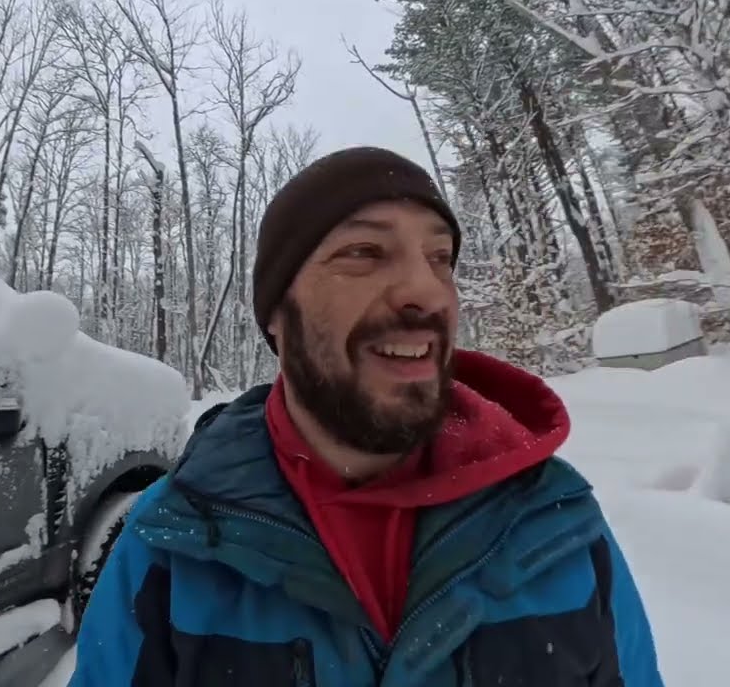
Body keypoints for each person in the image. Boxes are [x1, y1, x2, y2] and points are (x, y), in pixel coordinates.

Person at [67, 146, 665, 686]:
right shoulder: (176, 540)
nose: (427, 292)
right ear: (277, 311)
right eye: (364, 252)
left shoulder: (554, 523)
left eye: (441, 258)